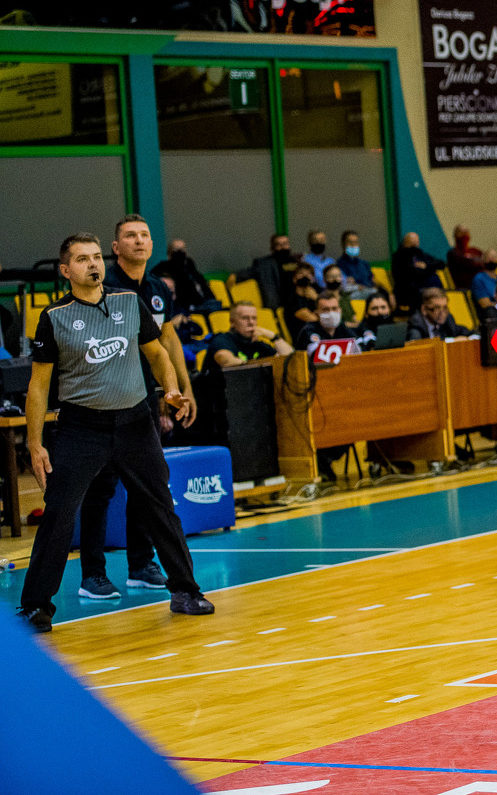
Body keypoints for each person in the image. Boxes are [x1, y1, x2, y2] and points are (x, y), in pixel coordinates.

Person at [17, 233, 215, 632]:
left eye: (96, 257)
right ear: (65, 270)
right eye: (82, 259)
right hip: (80, 427)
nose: (93, 264)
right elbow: (38, 387)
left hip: (135, 423)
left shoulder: (129, 301)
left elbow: (157, 353)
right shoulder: (54, 317)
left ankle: (185, 590)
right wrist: (35, 444)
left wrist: (171, 388)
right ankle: (36, 606)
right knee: (59, 513)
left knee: (160, 506)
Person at [76, 214, 199, 600]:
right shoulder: (102, 285)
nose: (139, 241)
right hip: (106, 401)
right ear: (116, 247)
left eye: (145, 235)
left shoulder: (158, 287)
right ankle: (92, 574)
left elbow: (167, 339)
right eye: (130, 236)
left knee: (148, 485)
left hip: (145, 398)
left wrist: (181, 387)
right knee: (100, 488)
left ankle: (141, 565)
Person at [201, 302, 292, 442]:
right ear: (232, 322)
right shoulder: (222, 340)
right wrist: (262, 365)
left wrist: (272, 336)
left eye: (254, 318)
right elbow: (226, 360)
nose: (251, 322)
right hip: (222, 408)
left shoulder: (257, 344)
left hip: (253, 404)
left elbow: (291, 359)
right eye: (245, 318)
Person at [229, 233, 301, 310]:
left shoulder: (297, 262)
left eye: (285, 244)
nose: (283, 247)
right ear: (273, 247)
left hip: (298, 302)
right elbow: (249, 272)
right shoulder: (265, 264)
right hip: (278, 305)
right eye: (278, 245)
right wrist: (235, 276)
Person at [150, 239, 213, 312]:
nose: (180, 252)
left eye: (182, 249)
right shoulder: (163, 268)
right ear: (169, 253)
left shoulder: (190, 267)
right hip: (187, 307)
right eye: (176, 249)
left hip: (207, 302)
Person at [293, 289, 359, 351]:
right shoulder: (309, 331)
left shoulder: (342, 327)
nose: (331, 313)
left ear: (340, 310)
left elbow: (358, 345)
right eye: (326, 309)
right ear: (316, 313)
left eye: (334, 308)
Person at [392, 232, 442, 312]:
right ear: (405, 243)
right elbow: (412, 274)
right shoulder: (399, 257)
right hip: (408, 290)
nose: (415, 246)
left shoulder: (420, 254)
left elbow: (440, 264)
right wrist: (428, 270)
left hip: (426, 287)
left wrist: (426, 266)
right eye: (412, 244)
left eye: (416, 243)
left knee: (434, 280)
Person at [405, 287, 472, 341]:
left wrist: (471, 337)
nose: (442, 313)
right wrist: (451, 341)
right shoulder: (416, 326)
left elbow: (466, 332)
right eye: (437, 308)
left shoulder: (448, 320)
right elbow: (420, 348)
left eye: (445, 307)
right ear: (424, 309)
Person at [284, 263, 320, 344]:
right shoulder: (292, 299)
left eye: (309, 274)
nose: (305, 276)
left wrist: (316, 299)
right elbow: (309, 317)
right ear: (294, 279)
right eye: (301, 273)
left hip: (318, 335)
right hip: (302, 338)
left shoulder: (316, 297)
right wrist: (323, 317)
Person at [336, 230, 377, 295]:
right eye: (350, 242)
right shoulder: (339, 265)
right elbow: (344, 285)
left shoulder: (364, 264)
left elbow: (372, 280)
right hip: (353, 294)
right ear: (343, 244)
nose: (353, 245)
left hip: (369, 291)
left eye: (356, 242)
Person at [446, 224, 484, 290]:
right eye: (462, 233)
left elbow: (486, 261)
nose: (465, 236)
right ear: (455, 236)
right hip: (467, 287)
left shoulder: (476, 251)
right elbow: (469, 263)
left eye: (466, 233)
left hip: (483, 284)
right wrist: (478, 261)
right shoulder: (453, 253)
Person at [471, 250, 497, 314]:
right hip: (492, 313)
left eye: (494, 257)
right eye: (488, 258)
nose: (492, 260)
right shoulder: (479, 278)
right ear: (483, 261)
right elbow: (485, 304)